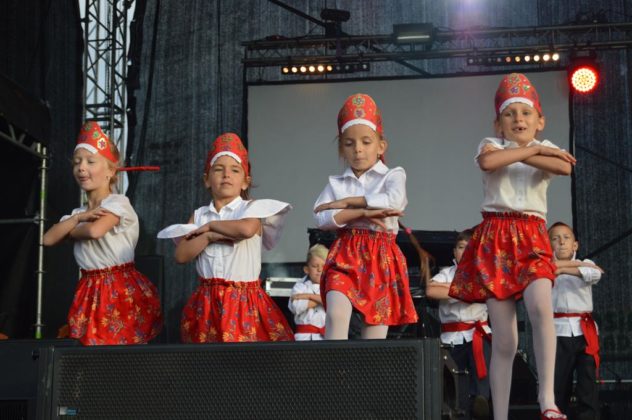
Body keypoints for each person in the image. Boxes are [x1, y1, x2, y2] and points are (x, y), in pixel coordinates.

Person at [448, 73, 576, 420]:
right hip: (497, 237)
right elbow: (489, 162)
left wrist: (536, 148)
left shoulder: (545, 147)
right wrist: (535, 149)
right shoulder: (490, 144)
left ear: (539, 121)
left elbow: (564, 166)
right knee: (506, 340)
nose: (518, 119)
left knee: (541, 307)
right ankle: (500, 414)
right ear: (498, 123)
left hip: (532, 234)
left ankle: (547, 399)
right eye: (510, 114)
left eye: (526, 113)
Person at [158, 132, 294, 343]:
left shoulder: (251, 208)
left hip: (243, 301)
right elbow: (181, 255)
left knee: (242, 356)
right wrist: (209, 236)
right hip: (207, 302)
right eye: (218, 169)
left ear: (245, 182)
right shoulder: (199, 215)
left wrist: (211, 226)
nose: (226, 175)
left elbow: (246, 230)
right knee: (208, 356)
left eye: (234, 170)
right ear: (207, 180)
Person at [43, 121, 163, 345]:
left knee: (120, 348)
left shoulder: (118, 203)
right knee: (90, 349)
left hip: (118, 288)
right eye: (77, 162)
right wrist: (77, 219)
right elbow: (48, 239)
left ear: (110, 170)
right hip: (89, 289)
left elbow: (95, 230)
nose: (81, 167)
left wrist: (69, 232)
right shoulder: (76, 214)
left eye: (90, 161)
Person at [313, 93, 418, 340]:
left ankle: (366, 367)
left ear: (381, 146)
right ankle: (333, 365)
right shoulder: (336, 183)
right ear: (342, 148)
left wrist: (350, 202)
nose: (358, 149)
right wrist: (361, 212)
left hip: (380, 257)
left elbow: (394, 202)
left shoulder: (393, 175)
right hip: (346, 253)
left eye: (366, 142)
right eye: (349, 143)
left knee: (374, 335)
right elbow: (322, 216)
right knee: (336, 314)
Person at [426, 229, 491, 419]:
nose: (466, 251)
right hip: (451, 338)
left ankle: (481, 403)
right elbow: (431, 290)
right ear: (454, 251)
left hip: (479, 333)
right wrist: (467, 291)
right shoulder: (446, 273)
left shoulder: (484, 273)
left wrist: (450, 291)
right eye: (462, 247)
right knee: (453, 382)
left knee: (482, 378)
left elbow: (484, 291)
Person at [549, 222, 603, 419]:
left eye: (566, 238)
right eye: (555, 239)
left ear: (575, 245)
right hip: (557, 333)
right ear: (549, 245)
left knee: (587, 385)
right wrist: (559, 267)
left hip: (584, 332)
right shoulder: (544, 267)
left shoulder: (585, 262)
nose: (562, 242)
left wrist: (563, 269)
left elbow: (596, 272)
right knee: (558, 386)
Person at [288, 244, 329, 341]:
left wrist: (308, 296)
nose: (319, 270)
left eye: (323, 266)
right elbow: (296, 307)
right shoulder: (300, 286)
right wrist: (321, 300)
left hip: (326, 338)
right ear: (306, 269)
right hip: (303, 337)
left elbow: (333, 304)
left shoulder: (330, 286)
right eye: (315, 266)